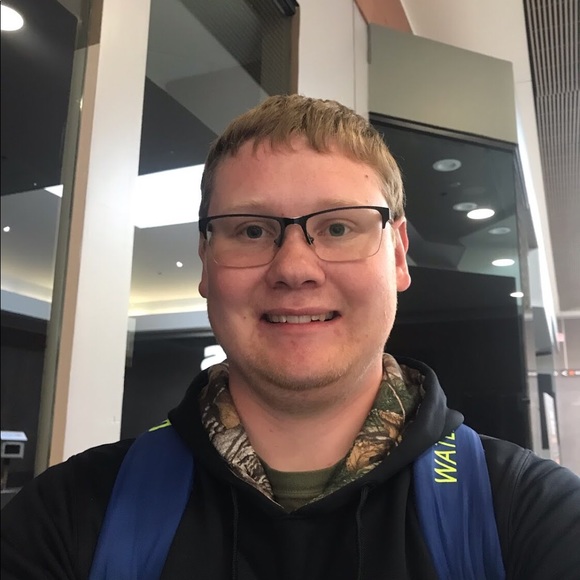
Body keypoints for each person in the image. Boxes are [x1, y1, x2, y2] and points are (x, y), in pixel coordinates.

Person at [1, 95, 579, 579]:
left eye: (338, 227)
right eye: (252, 230)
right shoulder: (66, 516)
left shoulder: (530, 514)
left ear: (399, 255)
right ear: (205, 262)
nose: (294, 268)